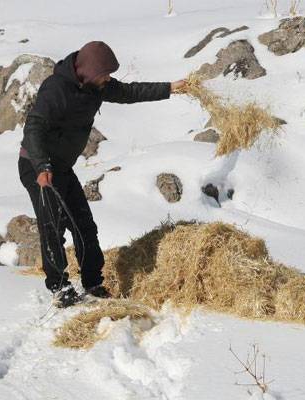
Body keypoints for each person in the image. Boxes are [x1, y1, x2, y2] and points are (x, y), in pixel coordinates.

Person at [19, 41, 186, 307]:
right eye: (104, 74)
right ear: (88, 70)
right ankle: (60, 288)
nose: (108, 79)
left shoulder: (96, 85)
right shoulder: (57, 89)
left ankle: (92, 282)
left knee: (83, 224)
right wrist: (41, 166)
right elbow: (34, 128)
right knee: (53, 226)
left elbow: (131, 92)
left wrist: (169, 88)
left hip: (61, 166)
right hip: (37, 166)